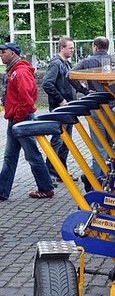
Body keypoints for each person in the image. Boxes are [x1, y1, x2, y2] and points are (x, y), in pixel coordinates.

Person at [0, 42, 55, 200]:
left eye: (4, 52)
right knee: (10, 156)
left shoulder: (20, 72)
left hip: (20, 119)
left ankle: (46, 188)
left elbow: (26, 99)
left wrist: (17, 117)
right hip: (17, 118)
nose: (1, 54)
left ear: (13, 53)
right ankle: (2, 190)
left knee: (32, 155)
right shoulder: (14, 71)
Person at [69, 36, 115, 179]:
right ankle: (114, 177)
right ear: (107, 47)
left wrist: (84, 91)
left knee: (99, 147)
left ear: (95, 46)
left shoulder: (87, 61)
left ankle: (99, 180)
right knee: (114, 144)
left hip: (96, 108)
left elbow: (69, 75)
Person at [42, 36, 82, 185]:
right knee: (58, 140)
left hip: (69, 108)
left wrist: (85, 91)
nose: (72, 50)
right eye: (70, 48)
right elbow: (47, 84)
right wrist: (60, 100)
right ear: (62, 48)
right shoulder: (56, 64)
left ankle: (61, 172)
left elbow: (73, 81)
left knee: (67, 141)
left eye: (73, 48)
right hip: (61, 109)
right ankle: (50, 174)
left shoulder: (67, 63)